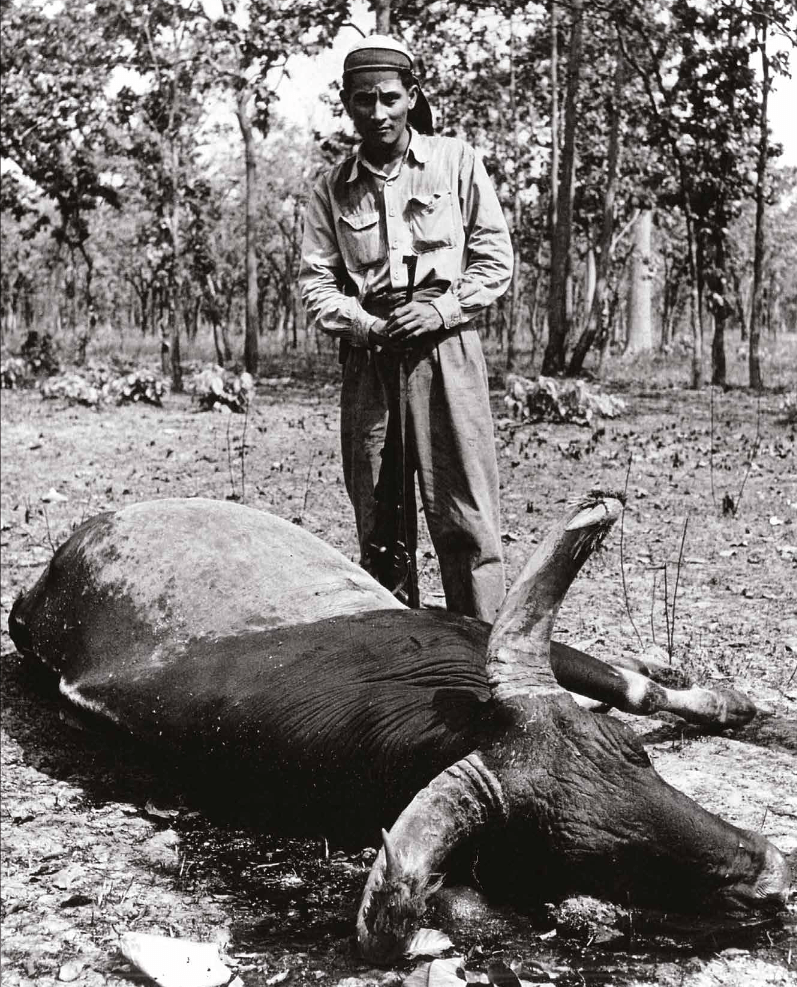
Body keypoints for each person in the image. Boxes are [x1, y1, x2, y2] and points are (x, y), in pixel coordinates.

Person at [299, 35, 513, 622]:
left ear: (411, 95)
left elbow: (495, 260)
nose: (379, 113)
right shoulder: (330, 188)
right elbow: (317, 285)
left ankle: (484, 667)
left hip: (448, 352)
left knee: (466, 519)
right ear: (347, 102)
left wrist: (441, 310)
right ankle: (401, 674)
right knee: (380, 528)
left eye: (390, 97)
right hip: (371, 360)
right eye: (363, 100)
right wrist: (365, 325)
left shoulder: (457, 161)